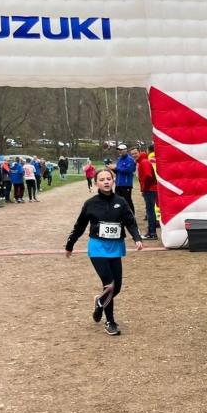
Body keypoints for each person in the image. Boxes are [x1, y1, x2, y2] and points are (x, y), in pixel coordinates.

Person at [65, 169, 143, 336]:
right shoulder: (90, 203)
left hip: (116, 247)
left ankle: (100, 302)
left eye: (109, 178)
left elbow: (130, 222)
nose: (106, 182)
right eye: (102, 179)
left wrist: (137, 238)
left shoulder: (121, 201)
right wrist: (70, 244)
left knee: (117, 287)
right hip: (97, 247)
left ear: (113, 181)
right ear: (96, 183)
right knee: (109, 285)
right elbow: (80, 226)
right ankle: (110, 322)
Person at [134, 144, 158, 239]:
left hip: (150, 190)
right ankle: (152, 232)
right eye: (132, 154)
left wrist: (145, 187)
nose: (134, 155)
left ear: (140, 152)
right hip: (150, 189)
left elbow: (148, 176)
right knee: (150, 211)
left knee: (150, 211)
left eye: (135, 153)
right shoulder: (143, 161)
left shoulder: (144, 162)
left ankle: (152, 233)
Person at [107, 143, 135, 212]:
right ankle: (120, 215)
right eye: (118, 150)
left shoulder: (130, 159)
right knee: (118, 201)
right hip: (118, 184)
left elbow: (128, 170)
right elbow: (118, 171)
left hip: (126, 185)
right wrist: (111, 168)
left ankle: (131, 215)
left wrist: (116, 168)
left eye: (121, 150)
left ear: (125, 150)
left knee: (127, 201)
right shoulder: (119, 159)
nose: (119, 151)